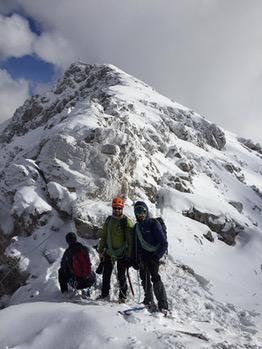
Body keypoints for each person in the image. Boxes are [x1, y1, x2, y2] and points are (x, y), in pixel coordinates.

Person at [133, 201, 169, 313]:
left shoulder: (153, 224)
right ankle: (148, 299)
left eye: (142, 211)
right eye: (138, 212)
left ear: (146, 211)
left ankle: (163, 304)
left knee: (155, 276)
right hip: (144, 255)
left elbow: (164, 243)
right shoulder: (137, 227)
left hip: (154, 254)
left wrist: (156, 256)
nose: (141, 215)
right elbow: (137, 245)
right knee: (144, 276)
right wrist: (136, 258)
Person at [97, 197, 134, 302]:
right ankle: (104, 294)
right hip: (109, 251)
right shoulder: (109, 221)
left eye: (119, 208)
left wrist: (129, 255)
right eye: (115, 208)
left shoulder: (126, 221)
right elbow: (104, 236)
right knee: (106, 274)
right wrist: (100, 250)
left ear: (122, 209)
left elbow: (130, 240)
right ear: (112, 208)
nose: (117, 210)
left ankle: (123, 297)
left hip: (122, 253)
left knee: (121, 275)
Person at [58, 232, 96, 297]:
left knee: (61, 271)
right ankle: (89, 290)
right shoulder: (84, 249)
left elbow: (63, 266)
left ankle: (65, 292)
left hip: (76, 283)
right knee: (93, 273)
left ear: (67, 241)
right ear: (76, 239)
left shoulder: (68, 252)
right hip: (89, 280)